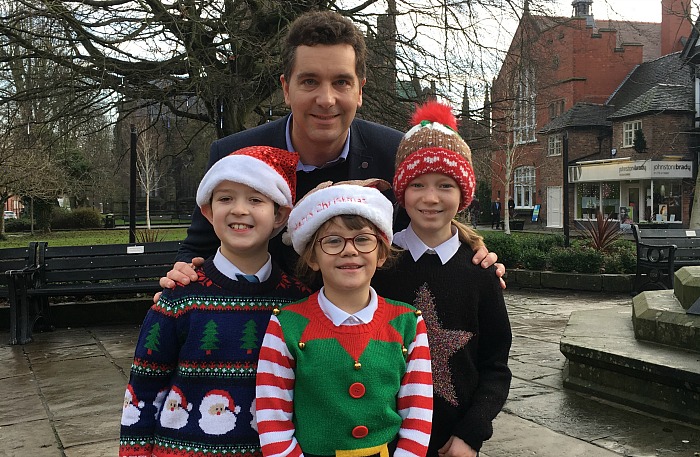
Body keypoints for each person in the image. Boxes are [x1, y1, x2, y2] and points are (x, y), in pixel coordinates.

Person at [159, 10, 504, 296]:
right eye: (309, 81)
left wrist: (474, 258)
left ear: (359, 91)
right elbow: (199, 249)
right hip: (264, 342)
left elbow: (431, 225)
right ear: (286, 88)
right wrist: (181, 276)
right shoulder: (236, 155)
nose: (326, 99)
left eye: (341, 82)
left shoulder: (397, 154)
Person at [119, 146, 311, 457]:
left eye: (255, 199)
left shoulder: (298, 302)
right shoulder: (180, 297)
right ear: (208, 211)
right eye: (225, 198)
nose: (239, 209)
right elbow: (143, 388)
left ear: (279, 216)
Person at [372, 101, 512, 457]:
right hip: (382, 439)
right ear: (401, 191)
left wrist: (472, 433)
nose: (431, 198)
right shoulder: (376, 265)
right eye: (417, 184)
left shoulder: (480, 272)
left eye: (445, 185)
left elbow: (495, 366)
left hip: (454, 443)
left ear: (463, 194)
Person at [256, 180, 433, 457]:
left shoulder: (408, 322)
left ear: (382, 253)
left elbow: (418, 414)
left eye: (363, 239)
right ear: (312, 257)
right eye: (333, 241)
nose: (349, 250)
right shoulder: (286, 325)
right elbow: (272, 418)